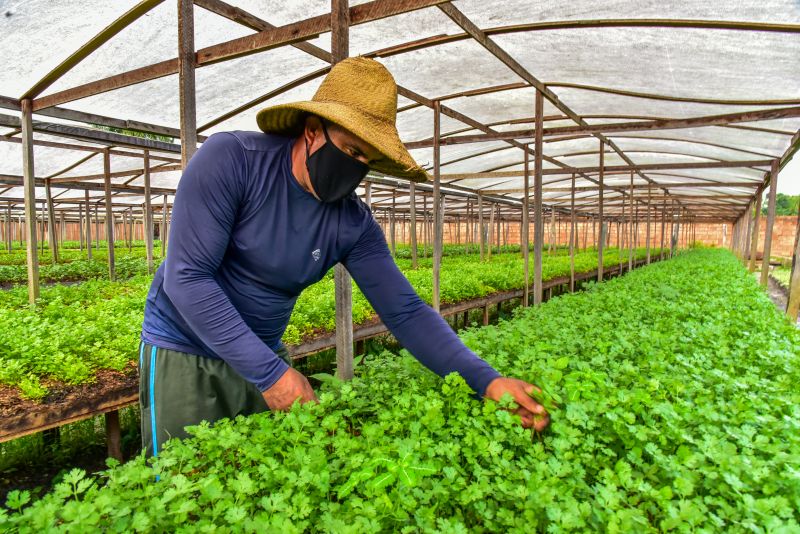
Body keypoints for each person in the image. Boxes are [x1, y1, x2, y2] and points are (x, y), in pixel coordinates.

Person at [138, 57, 549, 458]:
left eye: (367, 161)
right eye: (351, 151)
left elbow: (405, 311)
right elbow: (188, 278)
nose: (356, 170)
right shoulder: (234, 160)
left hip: (262, 350)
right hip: (185, 352)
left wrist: (487, 381)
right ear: (313, 130)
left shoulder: (353, 222)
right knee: (186, 490)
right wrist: (272, 374)